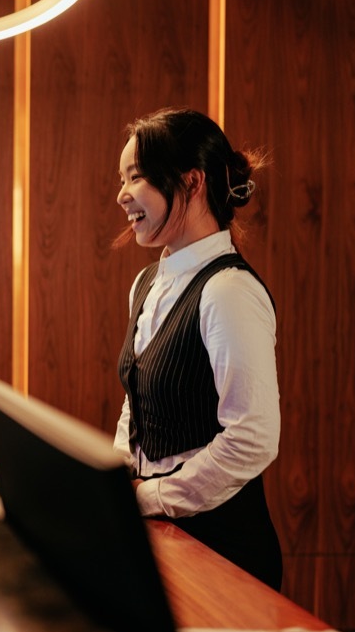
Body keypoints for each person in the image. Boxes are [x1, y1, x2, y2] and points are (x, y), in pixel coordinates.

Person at [112, 106, 283, 589]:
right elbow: (135, 404)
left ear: (191, 182)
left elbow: (253, 437)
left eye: (136, 176)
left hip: (222, 548)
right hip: (162, 533)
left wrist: (149, 496)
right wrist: (118, 479)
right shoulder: (146, 282)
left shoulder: (229, 291)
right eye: (122, 179)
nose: (121, 194)